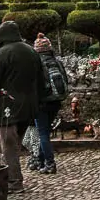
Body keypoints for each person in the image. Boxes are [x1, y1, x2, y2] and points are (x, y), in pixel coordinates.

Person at [0, 21, 46, 193]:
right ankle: (12, 177)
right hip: (29, 107)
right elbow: (41, 79)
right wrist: (39, 103)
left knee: (8, 145)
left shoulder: (1, 54)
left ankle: (14, 182)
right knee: (15, 144)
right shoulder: (32, 51)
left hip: (8, 106)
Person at [29, 34, 68, 175]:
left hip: (41, 102)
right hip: (56, 101)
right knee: (45, 132)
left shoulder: (35, 64)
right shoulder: (57, 62)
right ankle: (40, 159)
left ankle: (50, 164)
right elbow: (66, 80)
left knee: (42, 133)